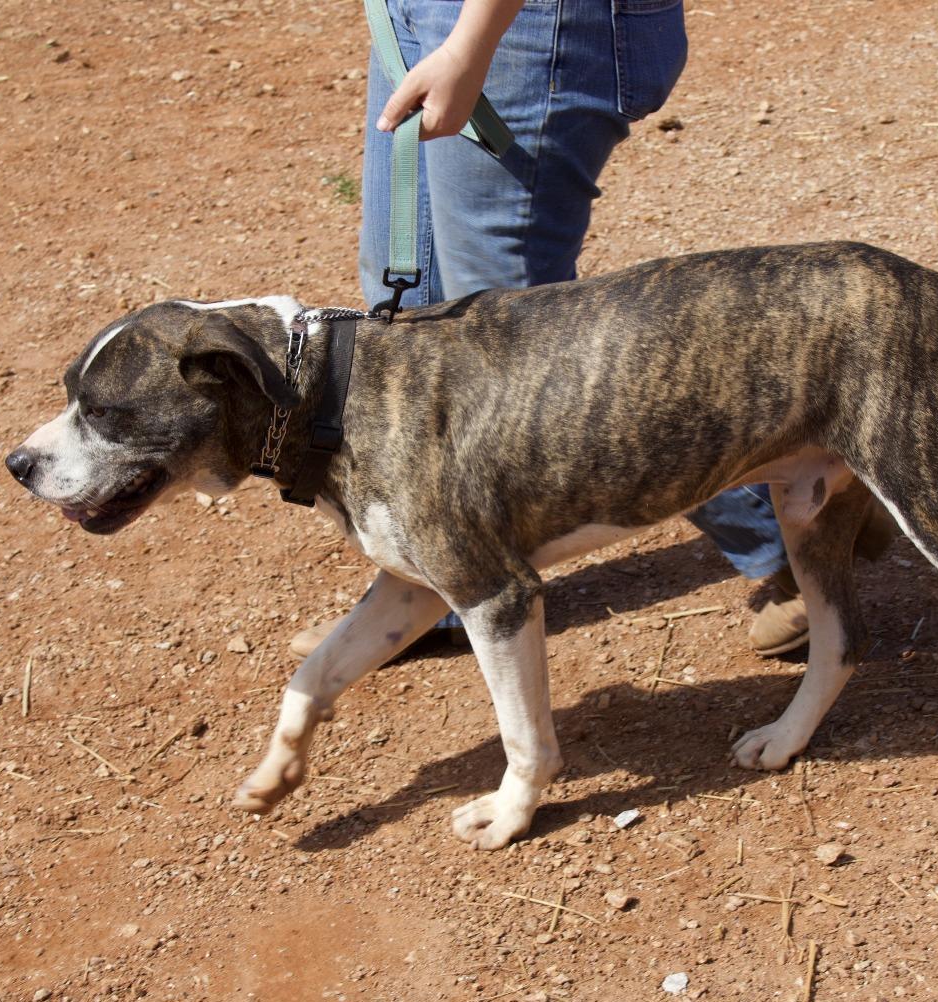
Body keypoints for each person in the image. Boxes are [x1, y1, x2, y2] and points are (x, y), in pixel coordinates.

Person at [290, 0, 806, 657]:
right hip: (419, 15)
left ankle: (784, 533)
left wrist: (472, 42)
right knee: (409, 305)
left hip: (523, 24)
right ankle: (442, 579)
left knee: (531, 359)